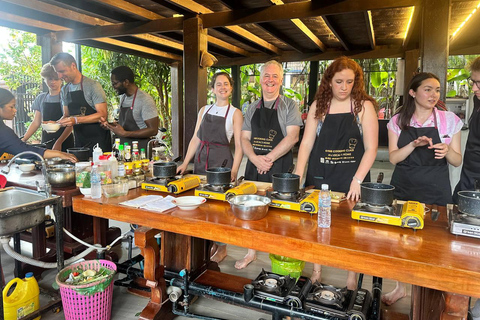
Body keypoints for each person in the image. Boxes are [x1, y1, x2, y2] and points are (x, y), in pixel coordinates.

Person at [294, 56, 378, 289]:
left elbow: (371, 148)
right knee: (317, 225)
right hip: (321, 175)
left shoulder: (363, 106)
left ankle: (351, 277)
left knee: (353, 229)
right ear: (329, 81)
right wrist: (298, 177)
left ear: (356, 82)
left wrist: (358, 180)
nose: (344, 87)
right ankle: (316, 271)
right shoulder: (319, 106)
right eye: (339, 81)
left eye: (349, 82)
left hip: (352, 176)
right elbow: (306, 144)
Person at [383, 72, 462, 305]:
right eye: (427, 89)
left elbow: (457, 161)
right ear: (412, 92)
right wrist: (413, 144)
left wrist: (448, 152)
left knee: (434, 243)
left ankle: (427, 294)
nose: (433, 94)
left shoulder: (449, 120)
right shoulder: (397, 121)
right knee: (401, 239)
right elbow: (394, 158)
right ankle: (400, 288)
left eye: (436, 90)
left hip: (436, 188)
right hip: (404, 186)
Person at [238, 60, 303, 269]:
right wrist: (255, 159)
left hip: (278, 167)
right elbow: (244, 138)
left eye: (275, 76)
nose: (270, 80)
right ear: (260, 79)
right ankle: (251, 253)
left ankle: (279, 254)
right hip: (254, 166)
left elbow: (293, 137)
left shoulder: (289, 105)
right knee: (251, 210)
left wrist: (269, 159)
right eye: (266, 75)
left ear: (281, 80)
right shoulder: (251, 107)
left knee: (280, 213)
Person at [177, 71, 243, 263]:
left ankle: (221, 247)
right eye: (219, 84)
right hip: (201, 159)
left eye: (226, 84)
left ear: (230, 88)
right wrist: (185, 162)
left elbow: (239, 146)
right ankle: (206, 244)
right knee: (201, 204)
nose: (223, 87)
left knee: (219, 208)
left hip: (222, 162)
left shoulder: (235, 113)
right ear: (212, 89)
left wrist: (234, 170)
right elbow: (195, 139)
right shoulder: (204, 110)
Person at [50, 52, 112, 152]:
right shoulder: (64, 90)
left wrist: (76, 120)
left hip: (99, 142)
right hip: (80, 142)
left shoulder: (93, 86)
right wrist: (55, 124)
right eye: (58, 72)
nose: (60, 76)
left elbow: (102, 115)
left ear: (73, 66)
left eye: (62, 71)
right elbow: (67, 116)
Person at [0, 88, 77, 162]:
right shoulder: (3, 131)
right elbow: (23, 150)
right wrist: (59, 154)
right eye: (11, 107)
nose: (15, 110)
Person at [100, 66, 159, 151]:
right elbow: (124, 125)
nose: (113, 87)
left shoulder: (145, 100)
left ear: (126, 82)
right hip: (124, 148)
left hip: (140, 150)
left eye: (115, 83)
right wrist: (110, 125)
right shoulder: (123, 97)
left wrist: (125, 133)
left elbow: (153, 130)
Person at [21, 63, 74, 151]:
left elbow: (70, 124)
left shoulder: (67, 97)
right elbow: (36, 123)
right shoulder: (41, 98)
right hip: (46, 140)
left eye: (56, 79)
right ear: (44, 79)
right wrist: (23, 139)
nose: (52, 82)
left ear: (61, 80)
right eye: (49, 79)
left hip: (65, 140)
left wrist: (59, 142)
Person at [454, 57, 480, 201]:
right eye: (473, 81)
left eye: (479, 83)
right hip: (468, 178)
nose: (474, 88)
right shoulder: (477, 100)